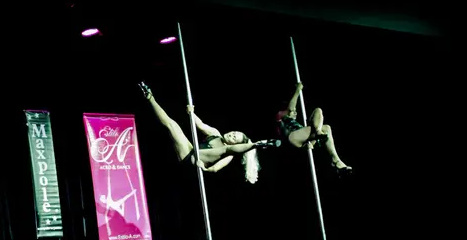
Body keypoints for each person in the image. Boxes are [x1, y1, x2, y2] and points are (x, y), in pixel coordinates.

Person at [138, 82, 279, 183]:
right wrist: (191, 113)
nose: (231, 134)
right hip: (190, 150)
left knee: (225, 150)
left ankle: (256, 144)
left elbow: (216, 168)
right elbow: (200, 124)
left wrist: (205, 169)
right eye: (233, 132)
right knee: (172, 125)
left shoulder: (228, 155)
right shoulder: (215, 133)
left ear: (235, 144)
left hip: (193, 162)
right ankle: (150, 97)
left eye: (234, 137)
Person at [277, 82, 352, 175]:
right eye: (293, 111)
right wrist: (298, 90)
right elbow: (291, 109)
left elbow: (292, 110)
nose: (295, 112)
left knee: (325, 125)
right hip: (293, 138)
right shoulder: (280, 115)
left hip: (302, 142)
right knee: (323, 128)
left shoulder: (295, 123)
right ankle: (318, 132)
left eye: (295, 111)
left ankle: (336, 160)